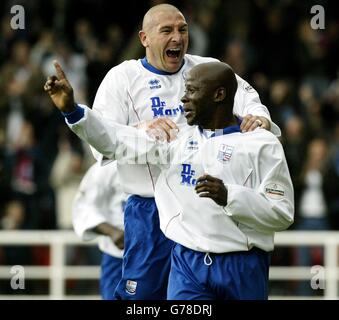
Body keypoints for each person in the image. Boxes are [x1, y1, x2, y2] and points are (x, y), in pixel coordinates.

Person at [44, 3, 280, 300]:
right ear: (144, 38)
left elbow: (245, 96)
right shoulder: (122, 79)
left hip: (204, 204)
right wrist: (75, 111)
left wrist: (259, 117)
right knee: (142, 301)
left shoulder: (205, 69)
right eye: (166, 30)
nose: (177, 38)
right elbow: (105, 140)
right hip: (149, 210)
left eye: (182, 30)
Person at [72, 161, 126, 300]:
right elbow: (84, 207)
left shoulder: (164, 159)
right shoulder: (108, 166)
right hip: (117, 257)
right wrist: (112, 232)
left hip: (158, 254)